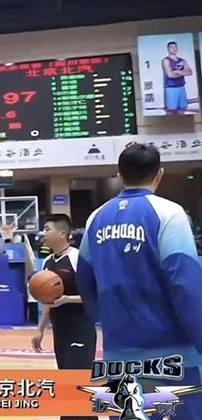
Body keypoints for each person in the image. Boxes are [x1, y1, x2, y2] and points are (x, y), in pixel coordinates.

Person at [77, 144, 202, 417]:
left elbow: (84, 279)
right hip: (173, 354)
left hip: (118, 352)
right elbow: (185, 286)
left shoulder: (96, 218)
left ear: (120, 175)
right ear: (159, 174)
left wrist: (104, 321)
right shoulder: (169, 213)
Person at [31, 214, 97, 420]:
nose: (43, 233)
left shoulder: (77, 258)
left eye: (47, 228)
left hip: (80, 328)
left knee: (78, 384)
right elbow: (47, 302)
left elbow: (95, 294)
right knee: (67, 384)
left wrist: (69, 299)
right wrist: (40, 329)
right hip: (60, 331)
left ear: (62, 233)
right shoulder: (47, 262)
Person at [162, 41, 193, 115]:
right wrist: (183, 73)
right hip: (171, 88)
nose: (174, 48)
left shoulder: (182, 60)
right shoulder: (166, 60)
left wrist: (179, 72)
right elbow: (170, 75)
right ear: (168, 49)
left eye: (175, 47)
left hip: (181, 87)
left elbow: (190, 72)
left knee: (182, 108)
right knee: (171, 111)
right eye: (171, 47)